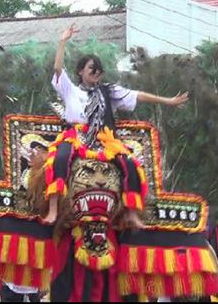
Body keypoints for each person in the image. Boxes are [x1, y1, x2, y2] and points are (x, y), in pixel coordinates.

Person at [43, 24, 189, 224]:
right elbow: (58, 70)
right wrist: (62, 43)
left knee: (131, 164)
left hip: (105, 138)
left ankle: (131, 212)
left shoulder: (109, 91)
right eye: (91, 69)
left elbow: (138, 95)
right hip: (77, 136)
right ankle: (53, 210)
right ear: (80, 72)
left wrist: (167, 101)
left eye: (98, 70)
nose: (96, 73)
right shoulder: (70, 90)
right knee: (59, 159)